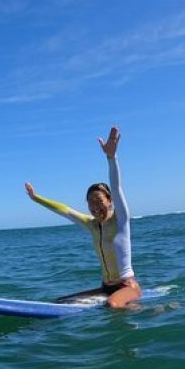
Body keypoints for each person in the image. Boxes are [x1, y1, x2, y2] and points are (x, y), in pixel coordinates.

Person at [24, 125, 140, 308]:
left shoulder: (121, 220)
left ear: (110, 201)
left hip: (127, 286)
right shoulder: (91, 224)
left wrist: (111, 157)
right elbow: (64, 210)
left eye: (99, 201)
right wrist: (36, 198)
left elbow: (116, 188)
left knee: (112, 305)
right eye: (90, 203)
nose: (95, 207)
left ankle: (141, 309)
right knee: (61, 303)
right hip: (105, 287)